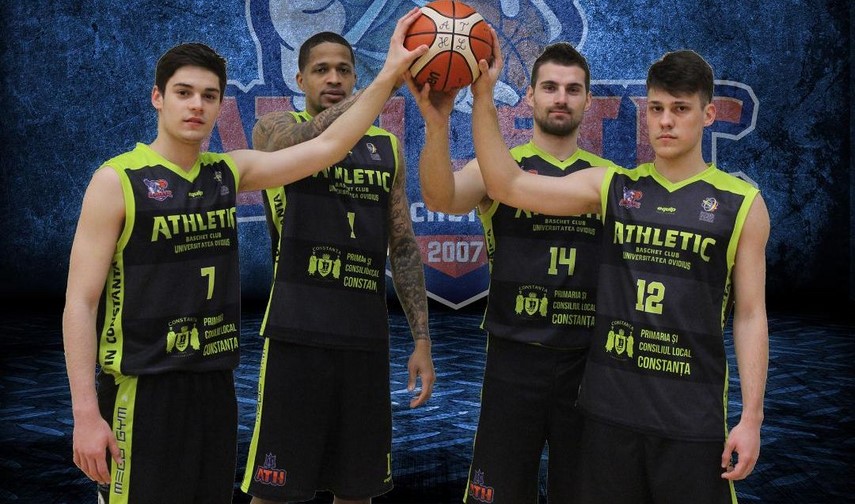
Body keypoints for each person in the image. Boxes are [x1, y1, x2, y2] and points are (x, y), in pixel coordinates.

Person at [62, 11, 428, 503]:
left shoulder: (228, 173)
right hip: (142, 385)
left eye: (209, 96)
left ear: (220, 105)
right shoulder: (117, 180)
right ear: (157, 98)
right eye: (184, 93)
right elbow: (80, 303)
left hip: (214, 381)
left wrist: (389, 74)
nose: (197, 105)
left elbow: (330, 145)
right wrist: (85, 412)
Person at [471, 31, 770, 504]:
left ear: (709, 114)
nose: (666, 121)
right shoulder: (614, 187)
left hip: (692, 420)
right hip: (607, 417)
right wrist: (484, 98)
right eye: (657, 108)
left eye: (681, 108)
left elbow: (751, 315)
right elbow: (507, 185)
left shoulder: (742, 203)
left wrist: (751, 418)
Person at [406, 42, 618, 503]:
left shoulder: (611, 179)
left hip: (589, 360)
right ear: (531, 96)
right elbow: (442, 197)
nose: (561, 98)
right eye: (550, 87)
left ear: (587, 100)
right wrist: (436, 126)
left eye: (573, 89)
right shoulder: (499, 168)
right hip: (514, 356)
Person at [239, 30, 435, 504]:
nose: (333, 78)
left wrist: (422, 341)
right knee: (274, 491)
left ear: (354, 77)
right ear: (299, 78)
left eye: (344, 70)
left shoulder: (386, 147)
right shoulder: (276, 129)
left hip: (364, 337)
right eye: (321, 69)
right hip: (295, 332)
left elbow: (403, 246)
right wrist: (380, 87)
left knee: (356, 490)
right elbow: (308, 139)